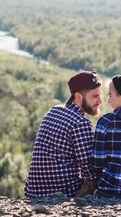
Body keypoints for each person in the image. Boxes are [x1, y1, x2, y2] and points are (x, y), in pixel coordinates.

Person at [24, 71, 102, 199]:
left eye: (100, 95)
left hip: (32, 192)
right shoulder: (80, 123)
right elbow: (88, 171)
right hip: (62, 193)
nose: (100, 101)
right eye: (95, 96)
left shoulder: (54, 110)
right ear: (78, 97)